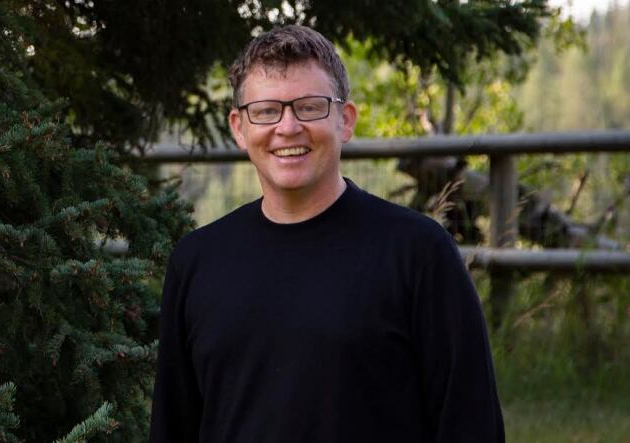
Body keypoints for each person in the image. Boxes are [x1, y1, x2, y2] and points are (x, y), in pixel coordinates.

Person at [149, 25, 504, 443]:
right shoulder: (196, 262)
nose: (288, 127)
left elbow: (470, 422)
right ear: (239, 127)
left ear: (345, 120)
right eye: (266, 111)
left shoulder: (418, 253)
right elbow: (173, 427)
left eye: (310, 107)